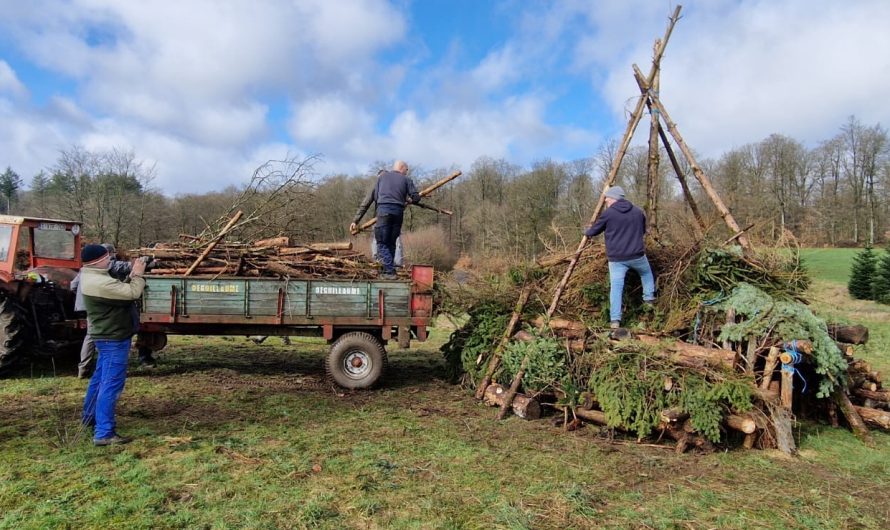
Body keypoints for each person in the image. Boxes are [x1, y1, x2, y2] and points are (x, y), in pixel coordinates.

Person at [80, 244, 147, 446]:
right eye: (107, 257)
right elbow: (133, 293)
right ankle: (104, 433)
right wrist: (138, 275)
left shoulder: (92, 277)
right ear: (97, 261)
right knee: (111, 385)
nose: (109, 259)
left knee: (99, 381)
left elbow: (118, 294)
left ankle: (90, 419)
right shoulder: (100, 282)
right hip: (114, 339)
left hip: (107, 337)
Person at [584, 186, 655, 329]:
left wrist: (586, 231)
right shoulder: (638, 212)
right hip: (637, 255)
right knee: (646, 274)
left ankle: (615, 321)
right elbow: (642, 232)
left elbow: (594, 231)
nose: (606, 202)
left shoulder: (608, 214)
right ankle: (649, 302)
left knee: (616, 288)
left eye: (607, 199)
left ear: (613, 198)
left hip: (617, 259)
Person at [72, 244, 137, 378]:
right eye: (109, 256)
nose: (110, 259)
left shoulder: (84, 270)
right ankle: (88, 368)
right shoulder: (105, 267)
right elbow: (121, 267)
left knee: (91, 337)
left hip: (86, 306)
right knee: (103, 336)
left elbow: (73, 286)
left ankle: (84, 368)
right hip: (100, 306)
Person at [350, 161, 420, 279]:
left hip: (383, 212)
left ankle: (390, 272)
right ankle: (388, 270)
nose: (406, 172)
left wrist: (355, 220)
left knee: (381, 243)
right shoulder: (406, 180)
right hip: (398, 214)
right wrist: (407, 201)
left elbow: (375, 198)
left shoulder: (381, 179)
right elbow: (416, 198)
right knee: (391, 243)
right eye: (407, 170)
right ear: (402, 168)